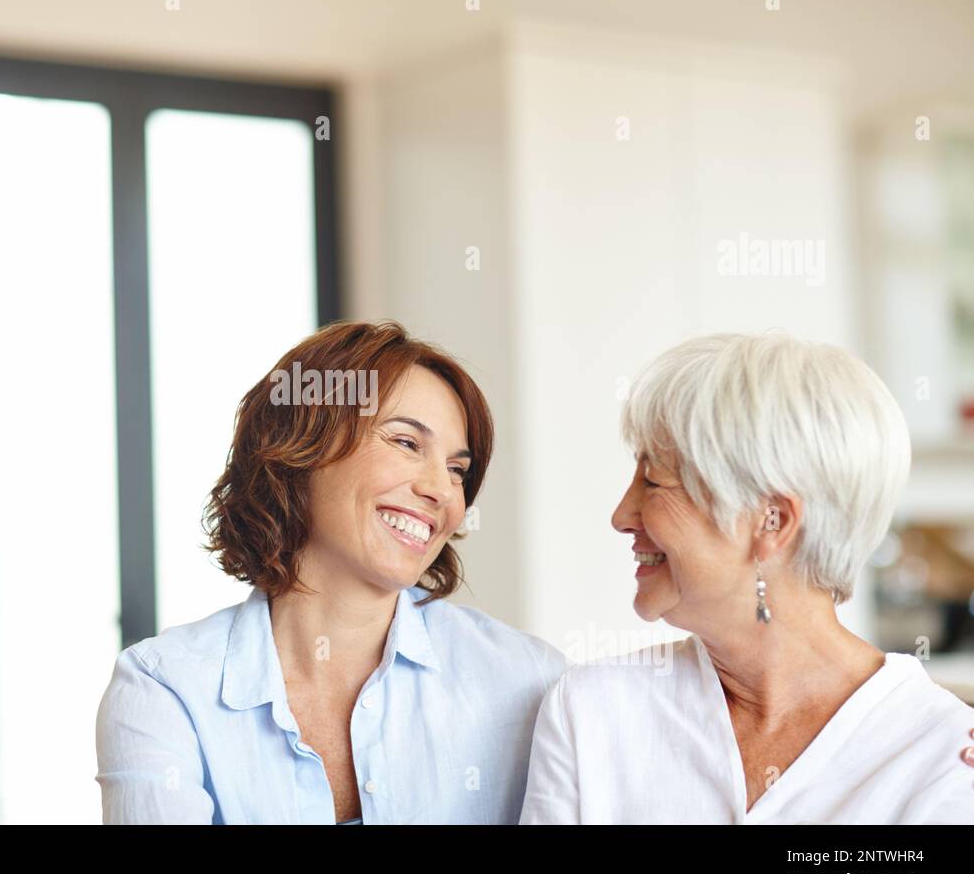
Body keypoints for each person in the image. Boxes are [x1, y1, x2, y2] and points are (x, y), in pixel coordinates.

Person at [96, 320, 568, 823]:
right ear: (302, 448)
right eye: (407, 443)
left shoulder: (530, 680)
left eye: (458, 469)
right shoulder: (165, 687)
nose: (443, 492)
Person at [520, 332, 974, 824]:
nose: (621, 515)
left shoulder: (945, 757)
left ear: (772, 521)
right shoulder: (592, 713)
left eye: (652, 482)